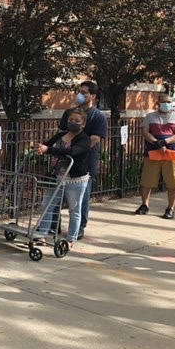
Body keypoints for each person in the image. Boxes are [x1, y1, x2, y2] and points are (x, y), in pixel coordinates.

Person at [34, 108, 91, 248]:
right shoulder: (61, 135)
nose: (72, 123)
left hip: (75, 179)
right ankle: (43, 234)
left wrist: (50, 150)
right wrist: (41, 148)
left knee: (74, 209)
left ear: (83, 124)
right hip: (57, 176)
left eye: (77, 121)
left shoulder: (85, 139)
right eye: (71, 120)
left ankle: (71, 238)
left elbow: (72, 152)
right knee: (47, 205)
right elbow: (47, 145)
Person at [58, 80, 107, 239]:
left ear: (93, 96)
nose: (80, 95)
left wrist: (76, 150)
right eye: (79, 91)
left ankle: (80, 227)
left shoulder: (98, 116)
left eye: (84, 93)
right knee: (58, 193)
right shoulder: (69, 113)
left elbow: (95, 139)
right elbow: (61, 134)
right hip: (65, 161)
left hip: (85, 162)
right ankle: (54, 223)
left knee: (81, 198)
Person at [135, 93, 175, 219]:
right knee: (147, 181)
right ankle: (144, 205)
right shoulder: (150, 117)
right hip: (152, 154)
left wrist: (165, 142)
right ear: (157, 103)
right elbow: (145, 132)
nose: (166, 104)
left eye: (168, 102)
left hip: (172, 154)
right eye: (163, 101)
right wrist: (156, 143)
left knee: (173, 183)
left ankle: (170, 208)